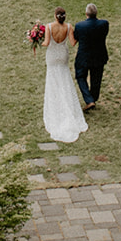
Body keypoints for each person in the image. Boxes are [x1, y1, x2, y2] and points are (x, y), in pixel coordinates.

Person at [42, 7, 87, 142]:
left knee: (53, 79)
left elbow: (46, 43)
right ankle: (67, 104)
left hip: (52, 56)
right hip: (63, 55)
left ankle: (56, 104)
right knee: (65, 78)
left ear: (55, 16)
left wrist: (35, 38)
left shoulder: (49, 27)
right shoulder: (68, 27)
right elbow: (73, 43)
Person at [73, 3, 109, 110]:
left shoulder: (79, 26)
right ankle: (93, 98)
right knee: (96, 79)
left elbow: (76, 38)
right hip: (99, 55)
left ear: (86, 13)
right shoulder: (104, 24)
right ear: (96, 13)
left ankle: (89, 100)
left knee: (80, 76)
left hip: (84, 56)